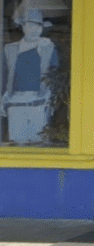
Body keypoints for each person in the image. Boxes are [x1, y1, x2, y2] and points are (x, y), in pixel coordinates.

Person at [1, 8, 57, 145]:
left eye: (38, 26)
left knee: (40, 143)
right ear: (23, 27)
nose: (34, 29)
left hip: (39, 102)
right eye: (30, 25)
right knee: (18, 143)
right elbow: (3, 74)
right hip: (15, 101)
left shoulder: (48, 46)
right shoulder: (10, 48)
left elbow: (56, 74)